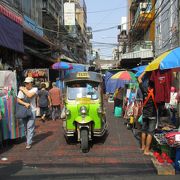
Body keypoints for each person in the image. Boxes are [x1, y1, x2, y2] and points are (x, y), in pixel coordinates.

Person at [138, 72, 157, 155]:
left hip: (145, 113)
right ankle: (146, 150)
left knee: (143, 130)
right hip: (152, 113)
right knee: (150, 132)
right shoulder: (156, 91)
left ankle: (142, 146)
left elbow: (139, 78)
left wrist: (145, 71)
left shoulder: (144, 88)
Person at [17, 77, 38, 149]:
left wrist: (23, 89)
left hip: (32, 110)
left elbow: (29, 95)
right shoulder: (21, 90)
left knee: (30, 127)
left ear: (31, 83)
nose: (26, 84)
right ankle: (28, 140)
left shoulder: (35, 89)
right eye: (25, 83)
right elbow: (18, 100)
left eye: (27, 83)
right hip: (24, 110)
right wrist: (25, 103)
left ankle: (29, 143)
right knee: (25, 128)